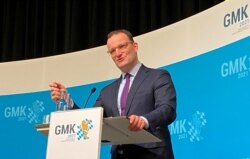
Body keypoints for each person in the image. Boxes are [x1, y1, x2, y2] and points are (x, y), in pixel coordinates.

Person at [49, 29, 177, 159]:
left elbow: (167, 109)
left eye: (122, 46)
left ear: (135, 46)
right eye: (112, 51)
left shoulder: (158, 77)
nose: (117, 53)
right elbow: (89, 121)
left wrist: (144, 120)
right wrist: (66, 98)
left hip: (152, 154)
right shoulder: (107, 91)